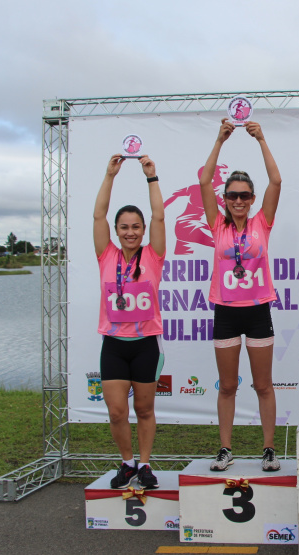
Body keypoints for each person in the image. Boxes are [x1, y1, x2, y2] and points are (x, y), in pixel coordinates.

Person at [199, 119, 282, 472]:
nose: (237, 200)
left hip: (258, 309)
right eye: (231, 195)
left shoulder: (262, 221)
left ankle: (268, 449)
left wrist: (261, 139)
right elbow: (204, 180)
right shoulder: (216, 223)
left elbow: (276, 181)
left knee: (263, 385)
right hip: (226, 312)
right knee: (228, 386)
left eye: (244, 195)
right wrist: (220, 139)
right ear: (225, 199)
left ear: (251, 199)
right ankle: (225, 449)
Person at [93, 154, 166, 489]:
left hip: (146, 345)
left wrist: (151, 178)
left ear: (143, 231)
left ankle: (146, 464)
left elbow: (159, 215)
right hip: (114, 346)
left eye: (136, 227)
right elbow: (98, 215)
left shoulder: (153, 255)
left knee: (145, 409)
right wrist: (110, 175)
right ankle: (126, 463)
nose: (130, 232)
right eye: (124, 227)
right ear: (117, 231)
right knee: (117, 412)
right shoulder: (106, 254)